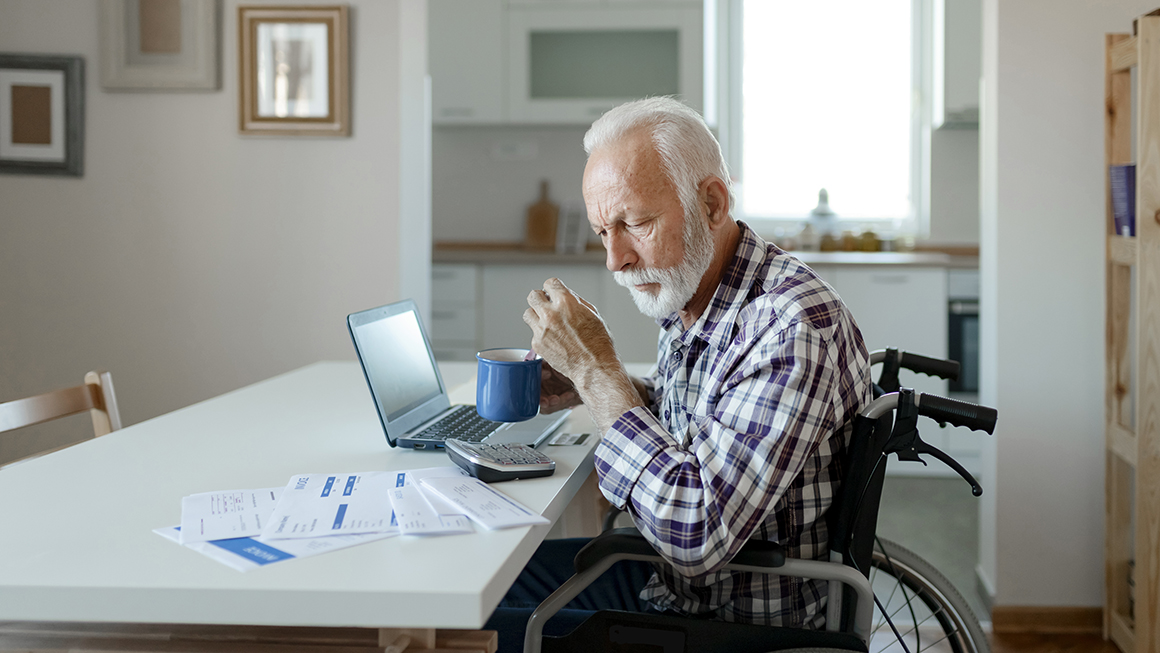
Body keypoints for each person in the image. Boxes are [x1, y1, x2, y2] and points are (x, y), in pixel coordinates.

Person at [486, 97, 871, 649]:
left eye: (636, 223)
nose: (615, 258)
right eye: (602, 232)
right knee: (497, 571)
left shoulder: (790, 327)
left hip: (727, 624)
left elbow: (696, 530)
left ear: (712, 202)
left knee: (474, 624)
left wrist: (599, 373)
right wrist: (589, 385)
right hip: (675, 587)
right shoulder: (699, 290)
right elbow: (702, 416)